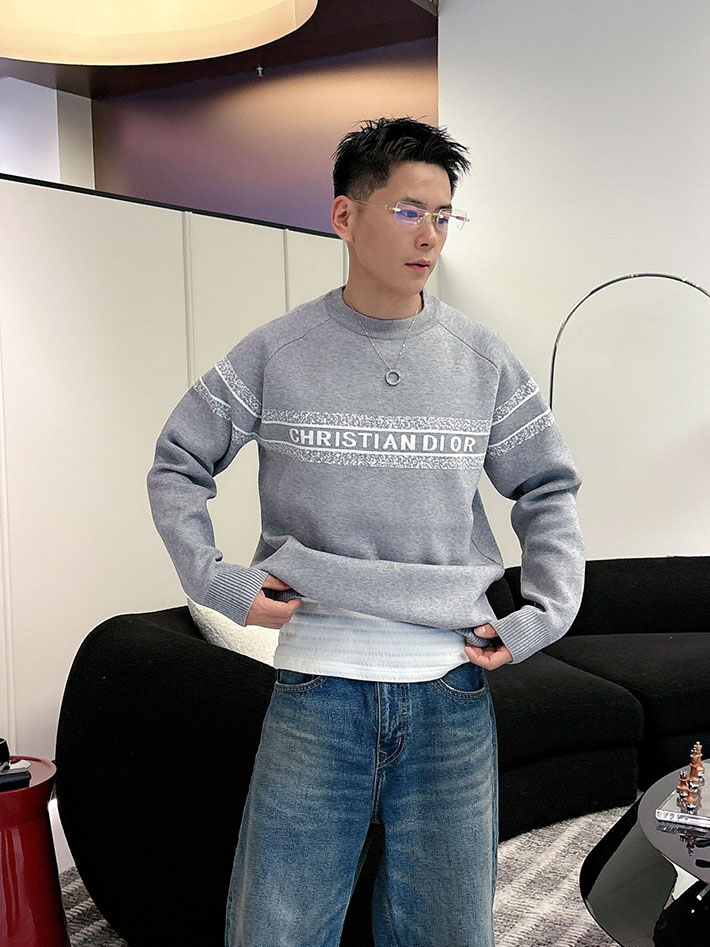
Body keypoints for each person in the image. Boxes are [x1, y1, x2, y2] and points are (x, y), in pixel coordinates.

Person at [146, 116, 585, 947]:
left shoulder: (483, 358)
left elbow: (548, 486)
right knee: (277, 931)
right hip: (318, 686)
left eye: (444, 215)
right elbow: (178, 462)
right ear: (345, 216)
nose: (431, 235)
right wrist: (216, 580)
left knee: (448, 933)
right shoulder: (278, 351)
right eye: (409, 211)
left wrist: (543, 614)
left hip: (450, 691)